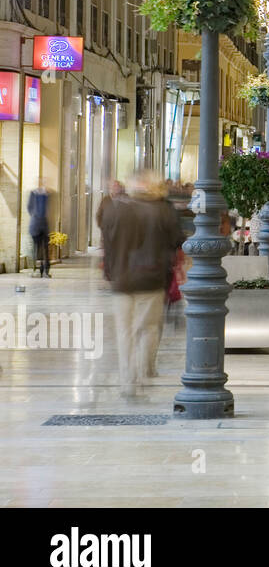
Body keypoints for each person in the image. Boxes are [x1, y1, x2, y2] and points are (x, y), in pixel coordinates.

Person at [101, 171, 185, 399]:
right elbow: (177, 241)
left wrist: (109, 272)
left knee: (124, 331)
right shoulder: (163, 210)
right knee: (147, 328)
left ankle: (128, 381)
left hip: (122, 279)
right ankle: (143, 369)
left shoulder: (115, 208)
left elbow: (107, 244)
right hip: (152, 279)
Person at [28, 180, 51, 277]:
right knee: (37, 248)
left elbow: (50, 210)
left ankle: (45, 270)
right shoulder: (33, 194)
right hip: (36, 225)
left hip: (44, 225)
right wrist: (35, 218)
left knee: (44, 249)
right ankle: (38, 269)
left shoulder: (48, 194)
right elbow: (29, 208)